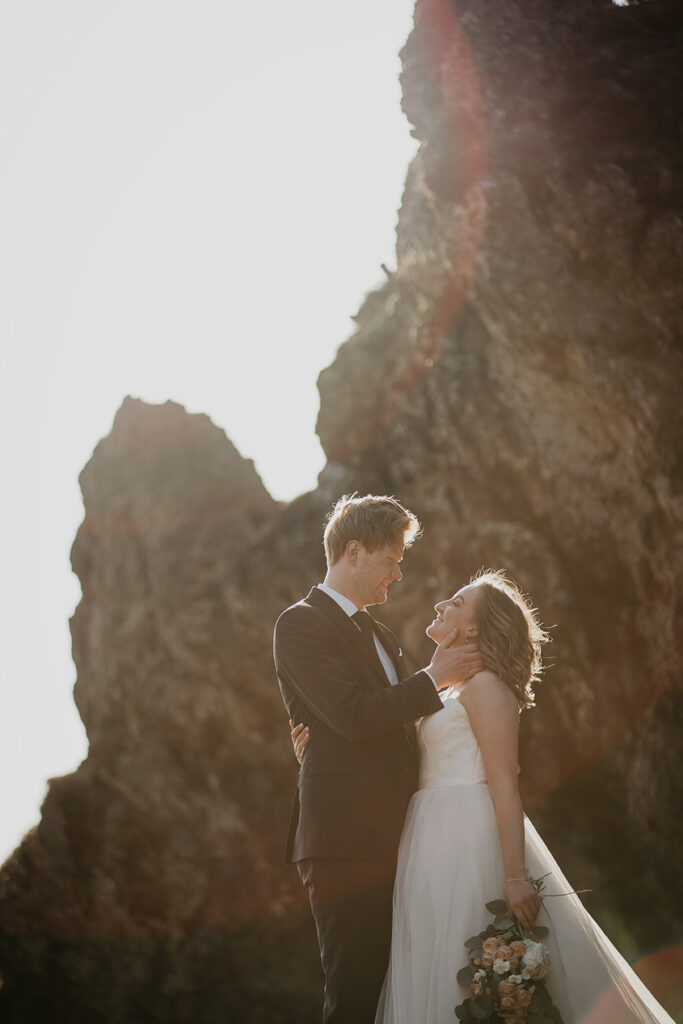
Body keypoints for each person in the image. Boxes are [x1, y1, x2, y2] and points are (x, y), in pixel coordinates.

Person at [294, 569, 677, 1024]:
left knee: (472, 965)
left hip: (468, 840)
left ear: (474, 628)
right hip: (424, 843)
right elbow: (390, 751)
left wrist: (515, 877)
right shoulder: (443, 690)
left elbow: (505, 782)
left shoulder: (487, 687)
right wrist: (319, 752)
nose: (440, 605)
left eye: (456, 602)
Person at [273, 494, 484, 1024]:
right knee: (355, 991)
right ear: (353, 551)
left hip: (402, 835)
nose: (398, 572)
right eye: (391, 559)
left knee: (402, 990)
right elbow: (353, 715)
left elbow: (388, 725)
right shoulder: (298, 623)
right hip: (346, 839)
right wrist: (435, 678)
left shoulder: (381, 634)